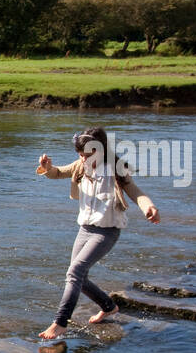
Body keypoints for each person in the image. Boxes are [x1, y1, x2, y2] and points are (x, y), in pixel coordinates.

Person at [35, 126, 159, 340]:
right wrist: (47, 167)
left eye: (86, 155)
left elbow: (136, 193)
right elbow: (57, 173)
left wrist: (149, 207)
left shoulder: (117, 170)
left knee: (74, 273)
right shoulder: (81, 167)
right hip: (84, 229)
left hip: (107, 232)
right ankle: (109, 306)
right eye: (80, 155)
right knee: (79, 277)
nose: (82, 159)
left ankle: (60, 322)